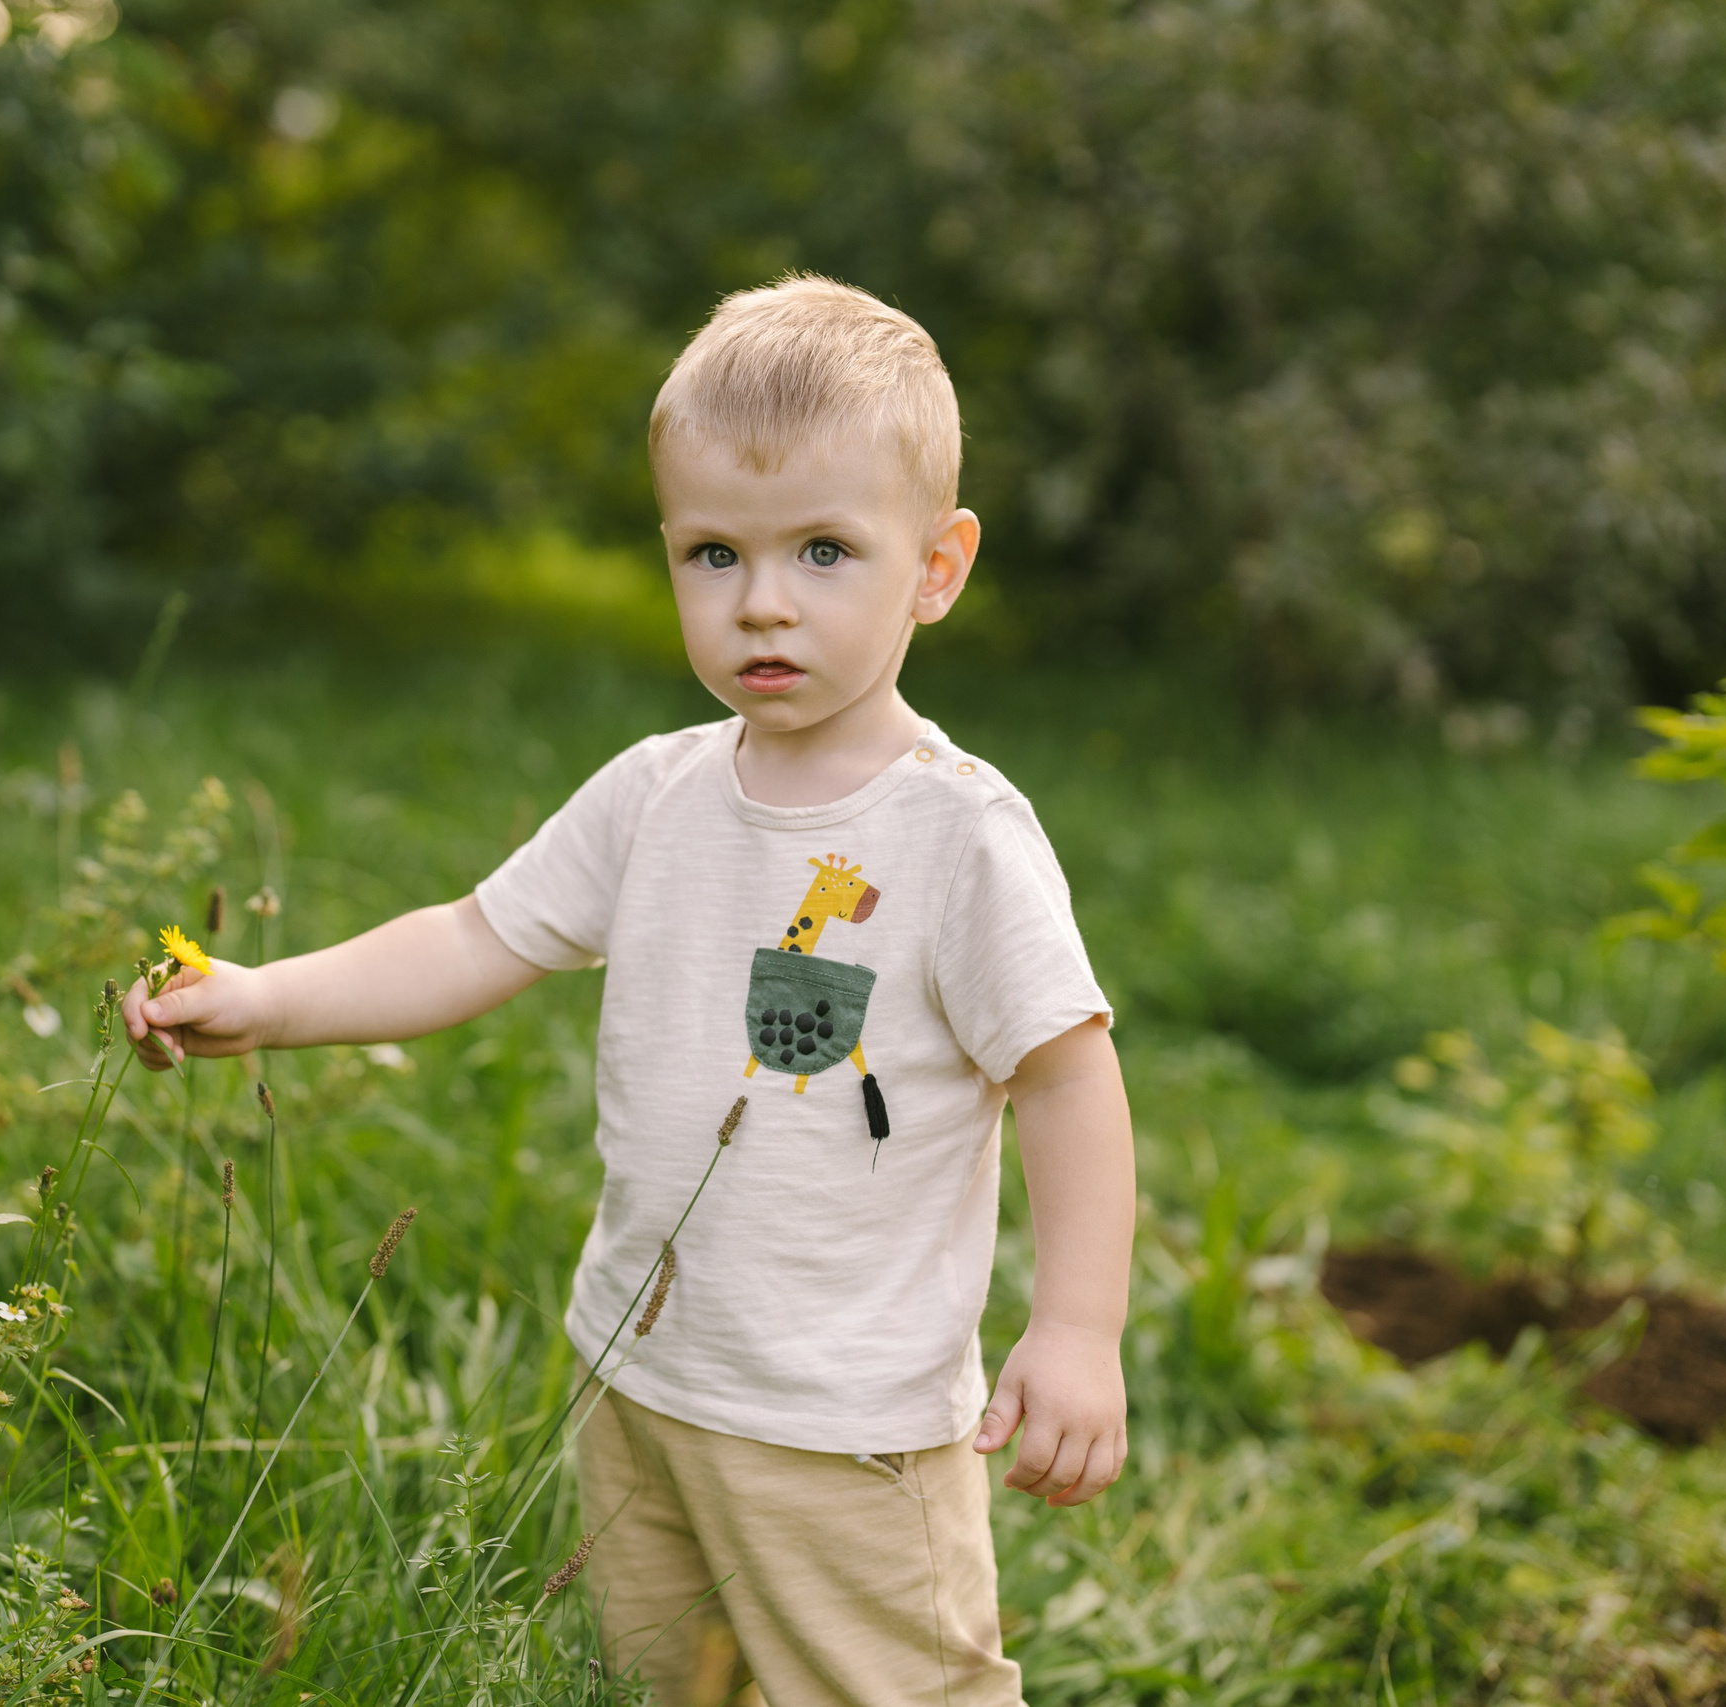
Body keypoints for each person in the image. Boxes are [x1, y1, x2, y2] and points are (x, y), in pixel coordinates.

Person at [121, 275, 1135, 1707]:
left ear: (938, 568)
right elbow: (480, 934)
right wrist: (268, 994)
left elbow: (1067, 1071)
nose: (762, 602)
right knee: (678, 1683)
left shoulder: (956, 833)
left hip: (841, 1420)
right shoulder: (657, 792)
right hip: (642, 1377)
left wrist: (1078, 1329)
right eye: (713, 553)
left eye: (826, 552)